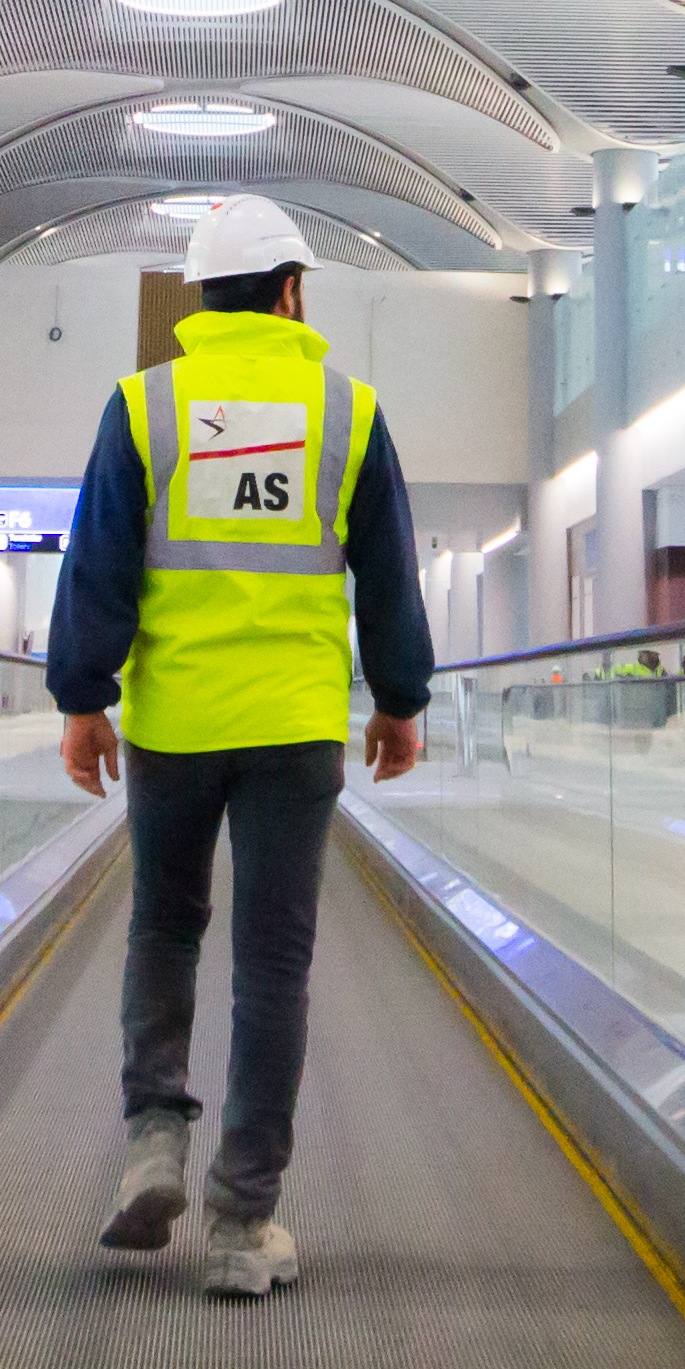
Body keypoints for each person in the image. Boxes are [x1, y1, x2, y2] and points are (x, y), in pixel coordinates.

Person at [47, 194, 431, 1302]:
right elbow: (389, 573)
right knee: (273, 965)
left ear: (198, 298)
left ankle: (152, 1141)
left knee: (164, 928)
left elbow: (98, 565)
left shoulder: (145, 405)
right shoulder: (345, 408)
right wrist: (400, 700)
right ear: (292, 291)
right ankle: (241, 1219)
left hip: (173, 723)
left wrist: (84, 698)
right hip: (295, 728)